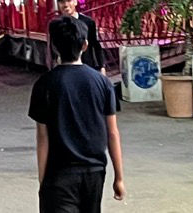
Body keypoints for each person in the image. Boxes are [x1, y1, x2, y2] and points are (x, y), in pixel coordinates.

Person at [29, 16, 125, 212]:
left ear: (54, 46)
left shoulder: (44, 84)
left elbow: (42, 137)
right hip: (95, 171)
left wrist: (42, 182)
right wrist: (119, 177)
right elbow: (112, 133)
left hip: (59, 173)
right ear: (85, 45)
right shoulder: (103, 83)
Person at [54, 0, 105, 73]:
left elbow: (96, 45)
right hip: (66, 70)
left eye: (69, 1)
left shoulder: (88, 22)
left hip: (87, 67)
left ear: (75, 2)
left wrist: (102, 66)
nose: (66, 5)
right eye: (62, 1)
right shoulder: (55, 25)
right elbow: (53, 49)